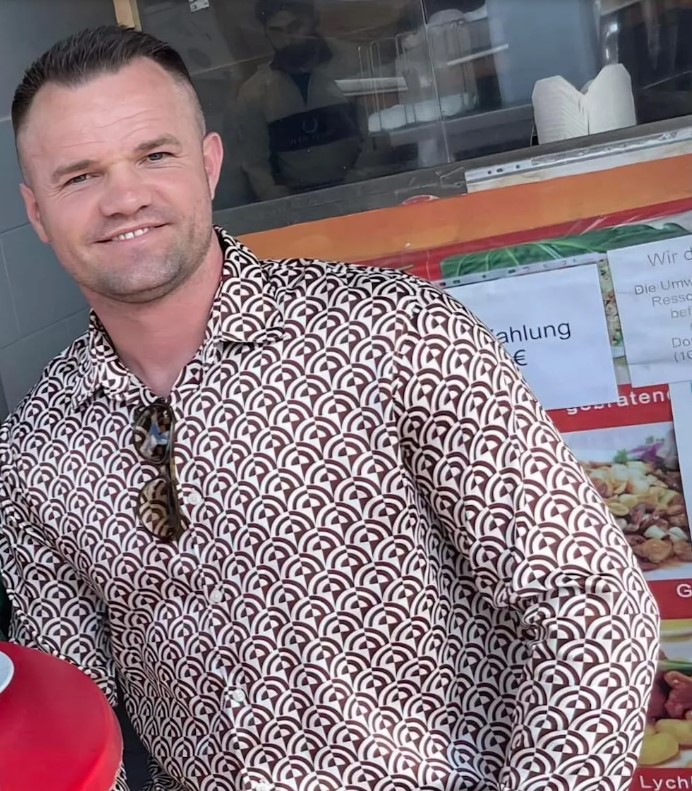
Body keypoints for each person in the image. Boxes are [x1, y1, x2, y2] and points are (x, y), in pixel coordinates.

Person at [1, 24, 658, 791]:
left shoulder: (396, 333)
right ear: (37, 212)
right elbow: (66, 715)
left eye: (154, 155)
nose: (124, 198)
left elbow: (587, 604)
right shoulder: (36, 447)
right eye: (80, 176)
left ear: (209, 163)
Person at [233, 0, 363, 200]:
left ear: (313, 20)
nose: (288, 39)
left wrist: (362, 177)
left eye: (295, 27)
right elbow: (255, 163)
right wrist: (275, 197)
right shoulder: (255, 93)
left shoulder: (354, 62)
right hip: (298, 201)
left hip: (360, 189)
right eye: (277, 31)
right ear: (266, 33)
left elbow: (377, 136)